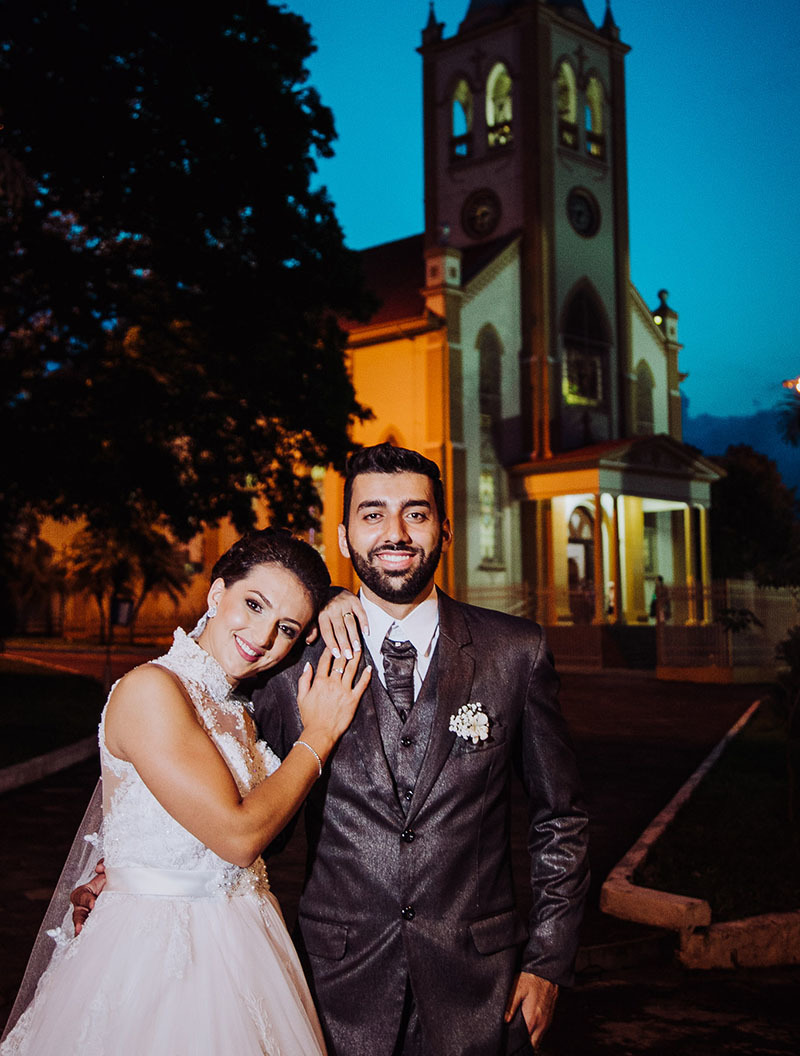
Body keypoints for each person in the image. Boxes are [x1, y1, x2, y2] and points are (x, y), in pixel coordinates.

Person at [252, 444, 589, 1055]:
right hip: (333, 989)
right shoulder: (294, 661)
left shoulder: (516, 652)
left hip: (483, 990)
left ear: (445, 530)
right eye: (373, 514)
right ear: (344, 535)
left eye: (416, 513)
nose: (396, 533)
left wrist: (548, 962)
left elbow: (560, 818)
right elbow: (252, 816)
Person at [0, 528, 370, 1055]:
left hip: (247, 950)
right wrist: (319, 736)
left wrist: (336, 599)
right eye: (254, 604)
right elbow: (239, 838)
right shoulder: (151, 689)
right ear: (217, 593)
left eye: (286, 628)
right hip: (154, 960)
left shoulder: (238, 710)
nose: (263, 636)